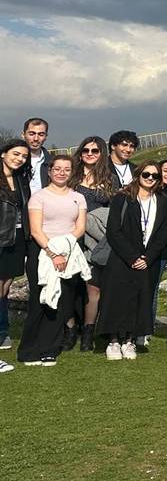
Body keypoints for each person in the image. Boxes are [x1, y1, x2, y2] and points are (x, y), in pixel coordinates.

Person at [95, 161, 167, 361]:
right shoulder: (122, 198)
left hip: (147, 257)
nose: (150, 179)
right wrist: (132, 256)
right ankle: (114, 340)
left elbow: (165, 231)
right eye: (146, 175)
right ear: (138, 175)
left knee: (140, 299)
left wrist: (148, 257)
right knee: (116, 298)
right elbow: (114, 231)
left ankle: (130, 340)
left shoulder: (163, 200)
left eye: (155, 176)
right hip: (122, 256)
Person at [18, 154, 88, 366]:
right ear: (50, 171)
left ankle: (49, 348)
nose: (61, 173)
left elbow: (79, 228)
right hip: (42, 254)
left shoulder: (78, 197)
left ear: (72, 172)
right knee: (40, 301)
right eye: (57, 168)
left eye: (66, 169)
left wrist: (64, 250)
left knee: (62, 303)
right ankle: (29, 350)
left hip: (69, 255)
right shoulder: (39, 197)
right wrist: (53, 253)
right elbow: (37, 230)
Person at [69, 136, 117, 354]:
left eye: (95, 151)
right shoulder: (71, 175)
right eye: (86, 150)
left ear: (102, 154)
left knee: (92, 288)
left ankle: (88, 332)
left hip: (94, 240)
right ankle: (69, 329)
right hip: (70, 236)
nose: (90, 154)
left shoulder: (109, 179)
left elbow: (114, 211)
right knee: (68, 287)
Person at [0, 139, 32, 360]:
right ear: (3, 153)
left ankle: (2, 331)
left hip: (17, 238)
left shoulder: (21, 179)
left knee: (5, 287)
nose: (19, 159)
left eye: (23, 156)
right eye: (15, 154)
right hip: (1, 238)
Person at [22, 118, 50, 193]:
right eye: (31, 134)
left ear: (46, 137)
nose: (36, 138)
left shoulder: (52, 163)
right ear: (23, 135)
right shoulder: (14, 162)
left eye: (41, 134)